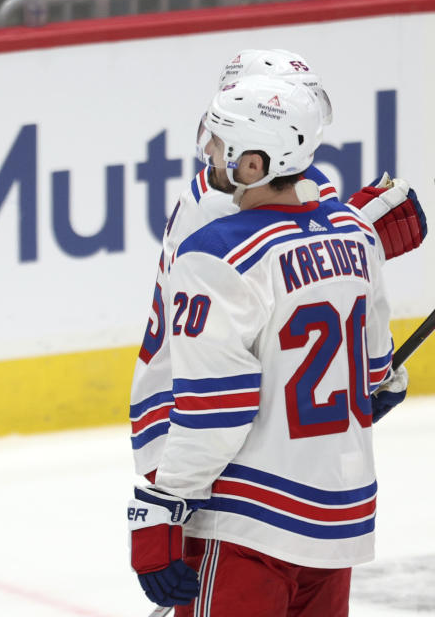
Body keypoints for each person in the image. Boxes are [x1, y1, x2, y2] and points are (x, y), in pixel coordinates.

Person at [127, 74, 404, 615]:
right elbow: (377, 373)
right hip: (338, 523)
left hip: (248, 525)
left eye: (221, 141)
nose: (208, 151)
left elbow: (217, 408)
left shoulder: (217, 254)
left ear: (254, 164)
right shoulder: (354, 233)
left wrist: (161, 504)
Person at [129, 48, 427, 482]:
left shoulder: (247, 184)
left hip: (208, 417)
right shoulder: (219, 207)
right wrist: (361, 234)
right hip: (192, 424)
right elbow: (290, 273)